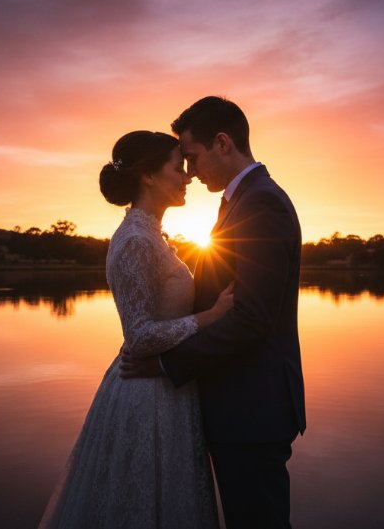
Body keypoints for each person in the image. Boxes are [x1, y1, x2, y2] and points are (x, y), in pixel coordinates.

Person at [121, 96, 306, 529]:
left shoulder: (261, 203)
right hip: (239, 407)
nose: (188, 170)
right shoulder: (241, 201)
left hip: (252, 410)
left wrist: (167, 363)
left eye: (192, 155)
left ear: (222, 143)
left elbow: (252, 317)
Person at [39, 130, 232, 529]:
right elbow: (139, 336)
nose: (187, 177)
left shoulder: (150, 236)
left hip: (169, 387)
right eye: (177, 168)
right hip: (147, 395)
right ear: (148, 176)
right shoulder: (134, 241)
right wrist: (208, 318)